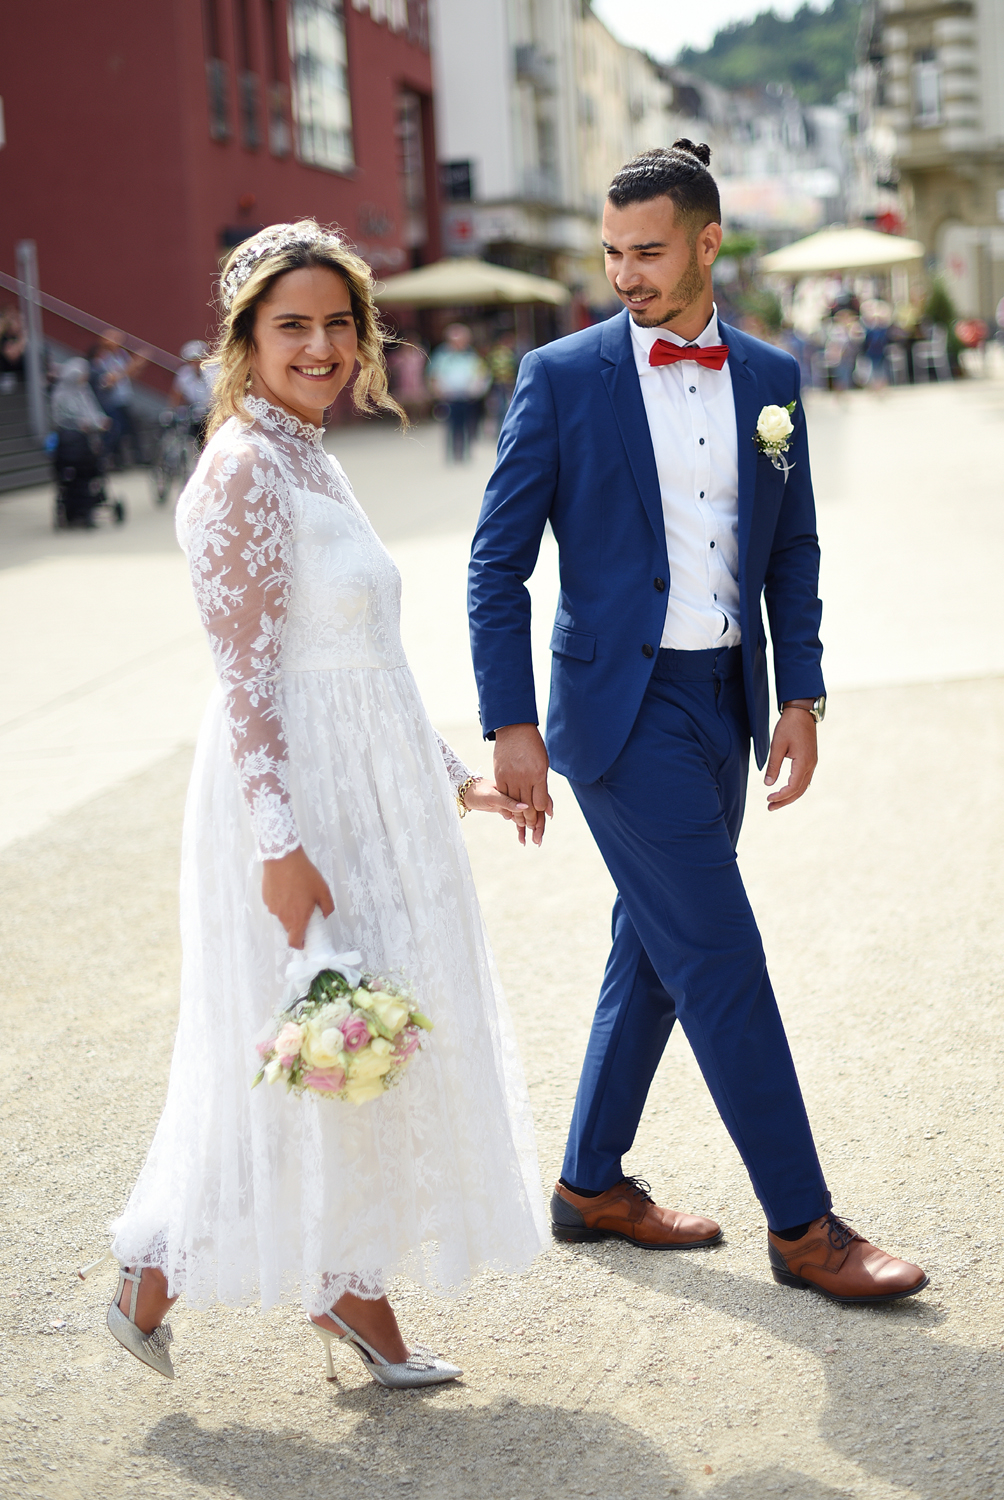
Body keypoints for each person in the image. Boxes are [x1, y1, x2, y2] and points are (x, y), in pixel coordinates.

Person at [469, 142, 928, 1304]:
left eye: (646, 251)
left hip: (723, 702)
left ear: (706, 242)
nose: (623, 273)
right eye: (611, 252)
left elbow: (791, 545)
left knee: (655, 949)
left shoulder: (769, 374)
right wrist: (509, 723)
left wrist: (798, 693)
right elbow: (494, 565)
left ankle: (587, 1184)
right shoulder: (560, 377)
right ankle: (803, 1227)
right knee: (719, 956)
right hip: (617, 719)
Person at [100, 221, 545, 1387]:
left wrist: (449, 777)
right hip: (292, 804)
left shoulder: (310, 456)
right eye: (291, 325)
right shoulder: (242, 469)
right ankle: (184, 1268)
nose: (320, 346)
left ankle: (324, 1282)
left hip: (367, 791)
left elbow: (369, 661)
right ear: (245, 339)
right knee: (308, 1038)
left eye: (338, 324)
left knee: (364, 1038)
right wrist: (278, 844)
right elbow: (245, 680)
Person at [50, 357, 111, 527]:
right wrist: (79, 424)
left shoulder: (84, 391)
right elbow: (60, 418)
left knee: (91, 472)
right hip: (70, 444)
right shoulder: (61, 393)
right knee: (74, 476)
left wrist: (101, 421)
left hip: (88, 445)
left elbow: (94, 411)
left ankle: (88, 506)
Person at [427, 323, 490, 462]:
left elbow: (482, 373)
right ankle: (452, 454)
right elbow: (433, 375)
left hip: (467, 396)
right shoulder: (442, 355)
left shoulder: (471, 355)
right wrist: (438, 392)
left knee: (468, 425)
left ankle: (465, 453)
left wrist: (478, 388)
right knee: (451, 426)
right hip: (449, 397)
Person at [92, 328, 147, 468]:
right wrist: (131, 366)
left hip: (125, 397)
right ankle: (117, 461)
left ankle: (138, 457)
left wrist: (136, 367)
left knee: (133, 429)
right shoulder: (102, 358)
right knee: (116, 430)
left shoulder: (121, 354)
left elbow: (128, 374)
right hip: (111, 401)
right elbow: (110, 379)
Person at [170, 339, 215, 447]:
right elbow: (176, 395)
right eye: (191, 361)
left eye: (197, 360)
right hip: (195, 414)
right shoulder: (184, 374)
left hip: (212, 413)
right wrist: (174, 411)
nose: (195, 364)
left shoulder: (214, 372)